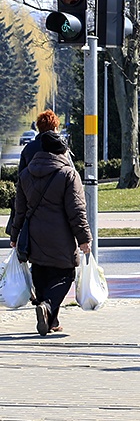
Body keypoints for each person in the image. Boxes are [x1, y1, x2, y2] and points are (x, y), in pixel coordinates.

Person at [10, 131, 92, 336]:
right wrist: (84, 239)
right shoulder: (68, 175)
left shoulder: (26, 174)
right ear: (61, 152)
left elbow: (19, 210)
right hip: (61, 235)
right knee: (66, 274)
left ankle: (51, 320)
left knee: (41, 274)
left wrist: (14, 235)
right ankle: (46, 307)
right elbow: (77, 211)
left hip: (34, 237)